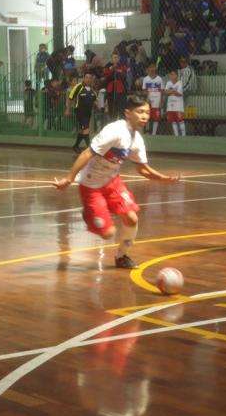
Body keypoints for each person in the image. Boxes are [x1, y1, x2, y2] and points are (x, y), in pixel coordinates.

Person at [53, 95, 180, 269]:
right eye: (140, 112)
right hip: (91, 185)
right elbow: (87, 154)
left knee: (132, 218)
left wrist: (162, 178)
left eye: (148, 112)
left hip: (112, 182)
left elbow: (142, 168)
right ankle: (89, 215)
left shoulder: (137, 140)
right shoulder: (114, 131)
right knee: (108, 233)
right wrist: (69, 178)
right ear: (128, 113)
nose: (145, 116)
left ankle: (122, 256)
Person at [66, 73, 98, 154]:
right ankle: (90, 150)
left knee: (82, 130)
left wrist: (98, 106)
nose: (88, 79)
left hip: (88, 112)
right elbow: (70, 98)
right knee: (86, 129)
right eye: (86, 77)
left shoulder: (92, 89)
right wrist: (68, 109)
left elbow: (95, 100)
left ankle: (76, 146)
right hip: (80, 112)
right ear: (83, 78)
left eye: (90, 78)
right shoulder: (78, 87)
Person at [104, 52, 129, 119]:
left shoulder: (122, 66)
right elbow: (106, 76)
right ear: (111, 58)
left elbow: (124, 76)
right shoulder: (108, 66)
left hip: (120, 90)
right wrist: (111, 69)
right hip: (111, 90)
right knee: (112, 110)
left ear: (119, 58)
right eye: (114, 57)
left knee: (121, 109)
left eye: (117, 57)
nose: (115, 59)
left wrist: (118, 71)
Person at [142, 62, 164, 135]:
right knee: (148, 116)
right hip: (149, 100)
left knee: (156, 118)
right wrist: (147, 99)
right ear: (148, 69)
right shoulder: (145, 79)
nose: (152, 69)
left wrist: (161, 101)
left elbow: (162, 91)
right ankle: (147, 131)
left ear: (156, 68)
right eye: (150, 67)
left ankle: (154, 133)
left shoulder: (159, 79)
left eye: (153, 67)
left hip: (157, 100)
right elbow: (144, 90)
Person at [165, 70, 186, 137]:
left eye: (173, 74)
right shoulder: (168, 83)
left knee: (180, 120)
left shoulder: (180, 83)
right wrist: (173, 91)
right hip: (170, 105)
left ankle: (183, 135)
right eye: (171, 74)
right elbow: (166, 92)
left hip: (178, 105)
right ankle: (176, 135)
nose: (171, 76)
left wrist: (170, 91)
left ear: (177, 75)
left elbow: (179, 94)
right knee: (173, 121)